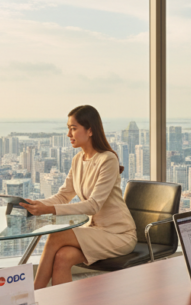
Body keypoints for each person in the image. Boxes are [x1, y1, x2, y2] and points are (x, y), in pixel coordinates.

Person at [20, 105, 137, 288]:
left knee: (55, 237)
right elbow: (62, 196)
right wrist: (35, 204)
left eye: (73, 128)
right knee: (62, 257)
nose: (68, 134)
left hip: (118, 234)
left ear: (90, 130)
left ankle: (34, 296)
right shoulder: (77, 160)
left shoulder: (107, 160)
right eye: (68, 128)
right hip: (94, 231)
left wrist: (47, 209)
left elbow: (93, 205)